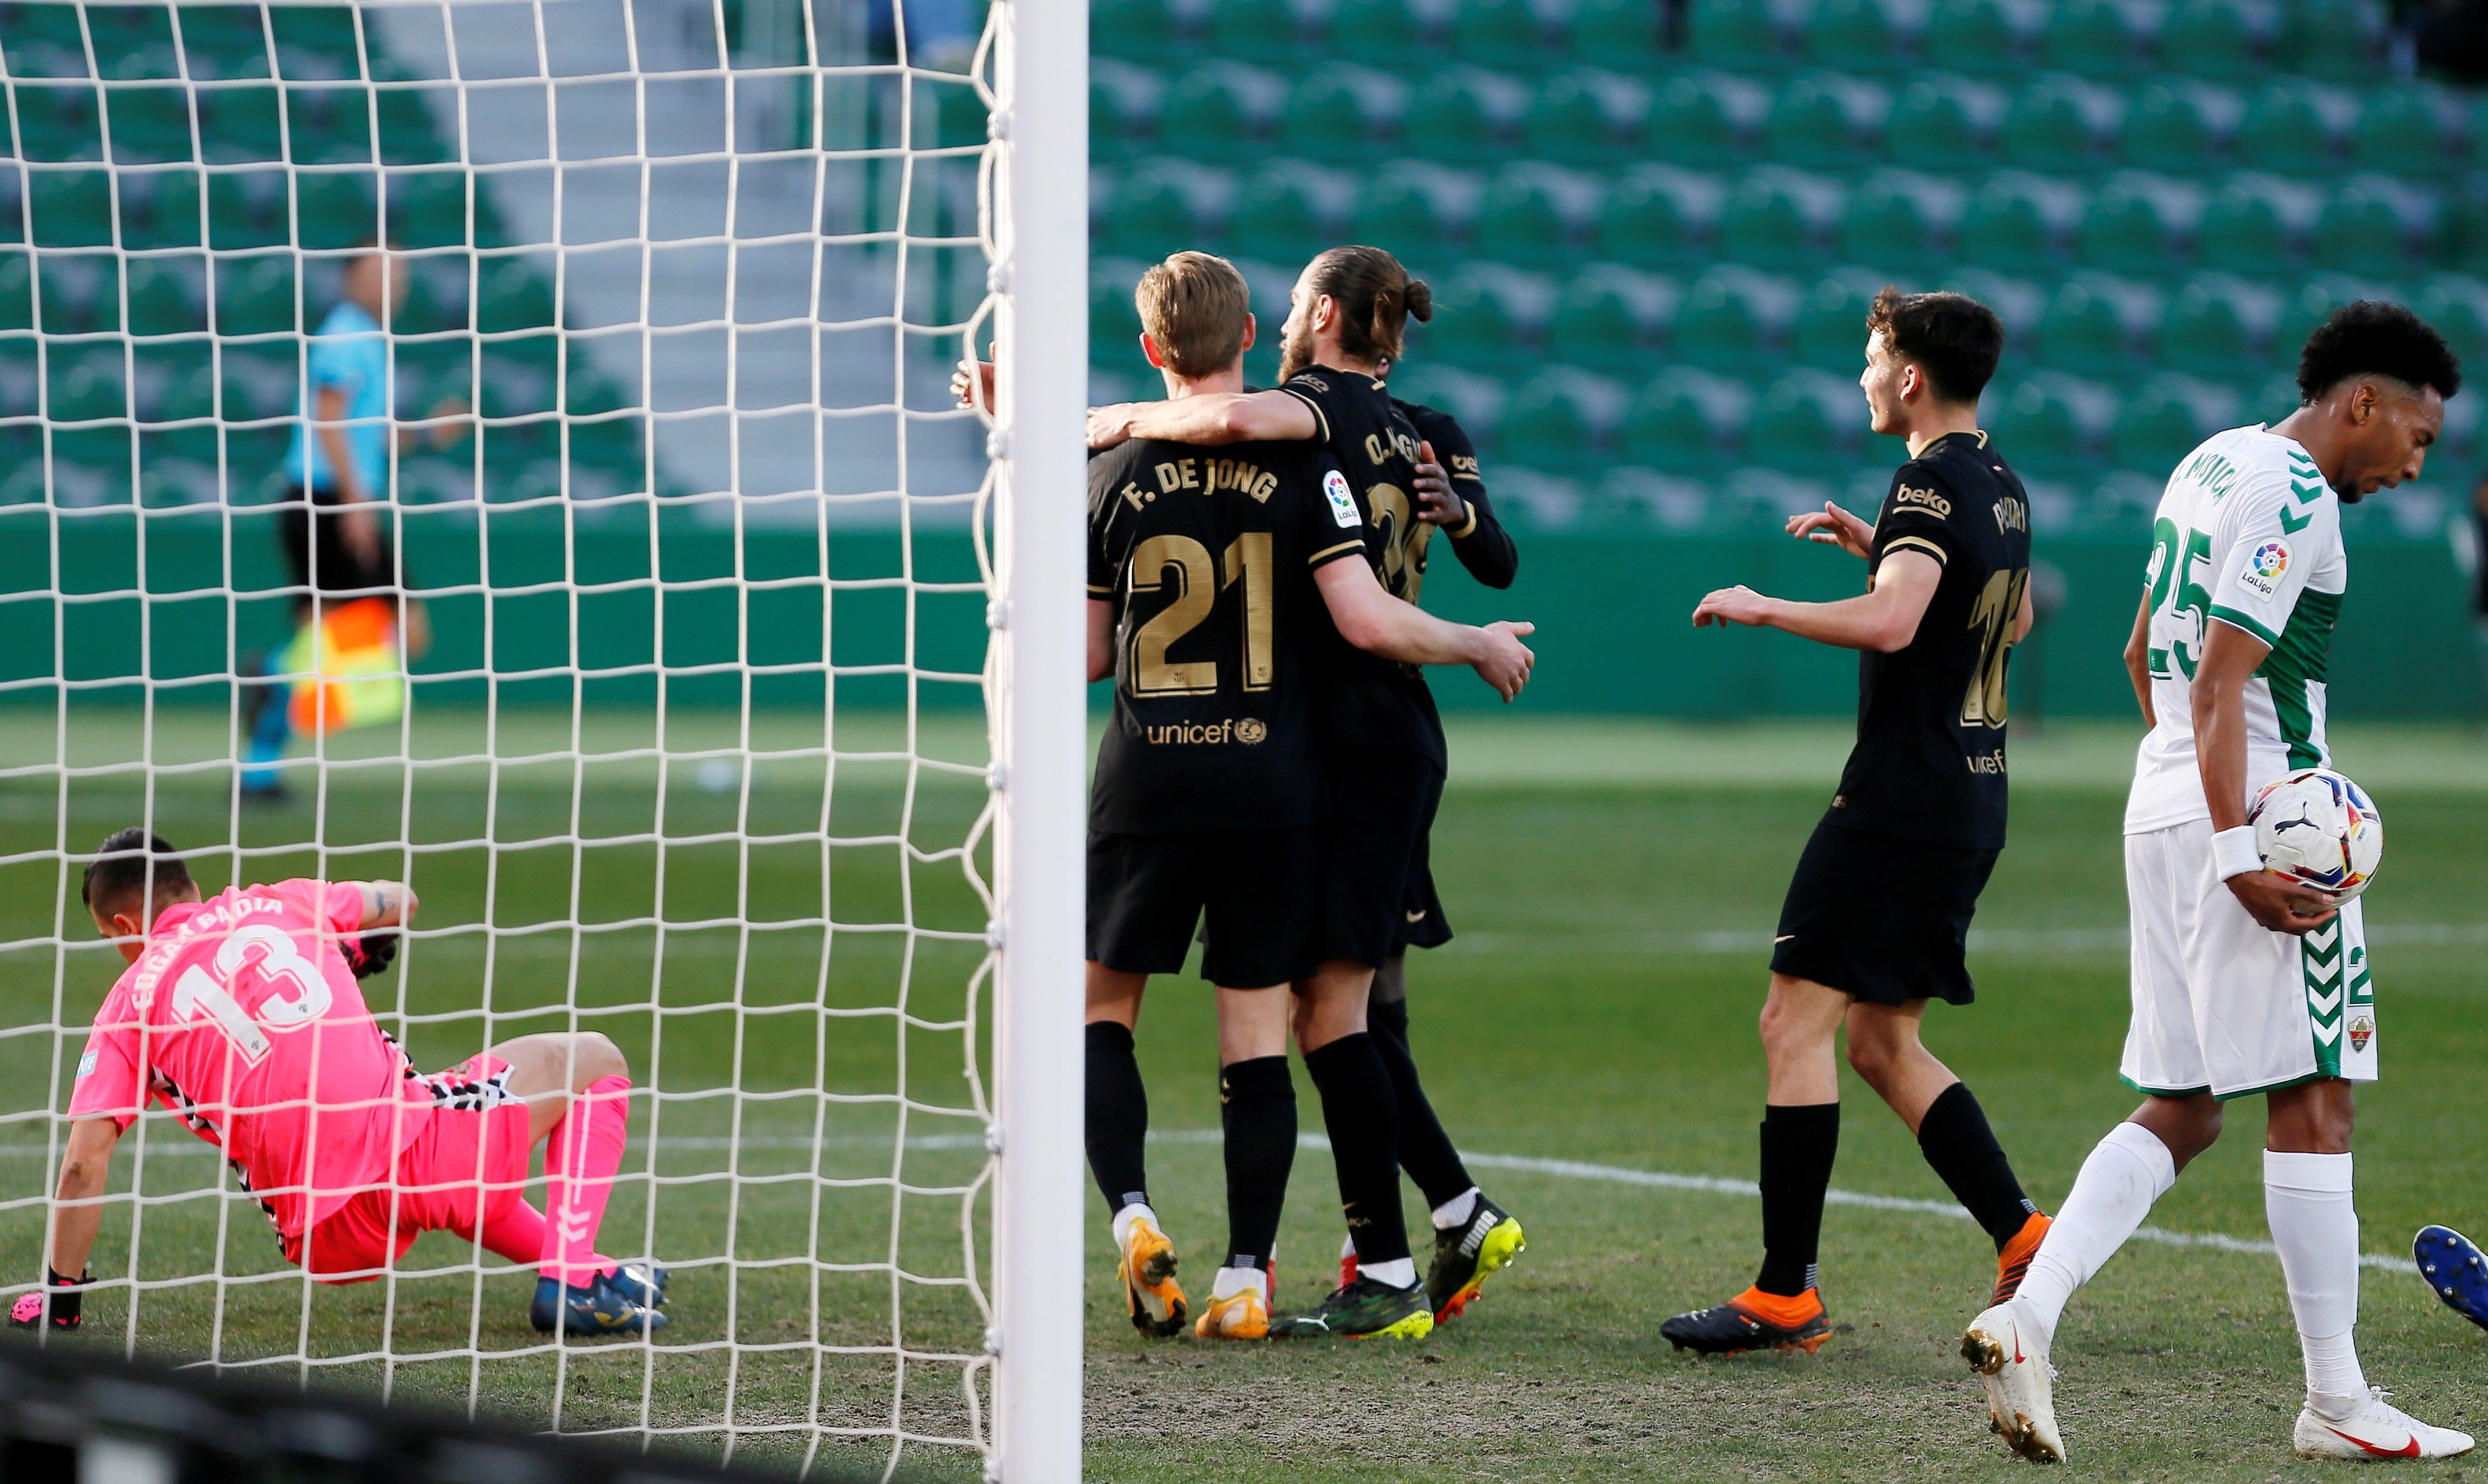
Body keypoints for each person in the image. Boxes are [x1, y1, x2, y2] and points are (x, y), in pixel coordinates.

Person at [1963, 302, 2470, 1464]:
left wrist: (2195, 814)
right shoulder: (2296, 498)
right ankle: (2336, 1399)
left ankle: (2027, 1313)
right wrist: (2244, 849)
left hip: (2163, 805)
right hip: (2257, 823)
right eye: (2419, 435)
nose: (2414, 462)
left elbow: (2145, 652)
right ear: (2361, 403)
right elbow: (2219, 681)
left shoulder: (2208, 459)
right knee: (2316, 1098)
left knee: (2185, 1105)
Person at [1078, 251, 1536, 1344]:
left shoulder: (1297, 417)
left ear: (1320, 317)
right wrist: (1463, 530)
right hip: (1325, 749)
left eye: (1295, 307)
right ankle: (1415, 1221)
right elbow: (1493, 561)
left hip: (1304, 738)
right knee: (1329, 1005)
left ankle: (1383, 1258)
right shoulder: (1418, 427)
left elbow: (1224, 429)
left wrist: (1086, 422)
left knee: (1327, 1007)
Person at [1667, 288, 2049, 1356]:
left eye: (1871, 358)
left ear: (1911, 376)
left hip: (1901, 796)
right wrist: (1881, 547)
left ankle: (1784, 1291)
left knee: (1793, 1022)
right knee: (1882, 1038)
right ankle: (2024, 1234)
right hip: (1972, 791)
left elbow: (1894, 620)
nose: (1864, 376)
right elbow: (2006, 615)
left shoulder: (1927, 476)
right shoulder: (2001, 481)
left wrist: (1764, 603)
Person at [10, 829, 668, 1338]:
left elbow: (81, 1167)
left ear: (125, 927)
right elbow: (399, 901)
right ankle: (573, 1281)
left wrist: (61, 1295)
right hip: (408, 1151)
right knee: (596, 1058)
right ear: (190, 887)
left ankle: (594, 1271)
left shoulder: (126, 1007)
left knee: (454, 1155)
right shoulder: (278, 900)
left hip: (324, 1238)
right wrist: (354, 945)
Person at [243, 244, 466, 798]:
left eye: (402, 273)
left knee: (322, 645)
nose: (394, 283)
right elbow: (329, 421)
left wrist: (426, 436)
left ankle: (259, 765)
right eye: (382, 272)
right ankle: (271, 678)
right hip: (328, 504)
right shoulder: (347, 336)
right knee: (405, 632)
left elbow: (367, 434)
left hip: (321, 500)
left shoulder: (366, 339)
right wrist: (357, 504)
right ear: (351, 278)